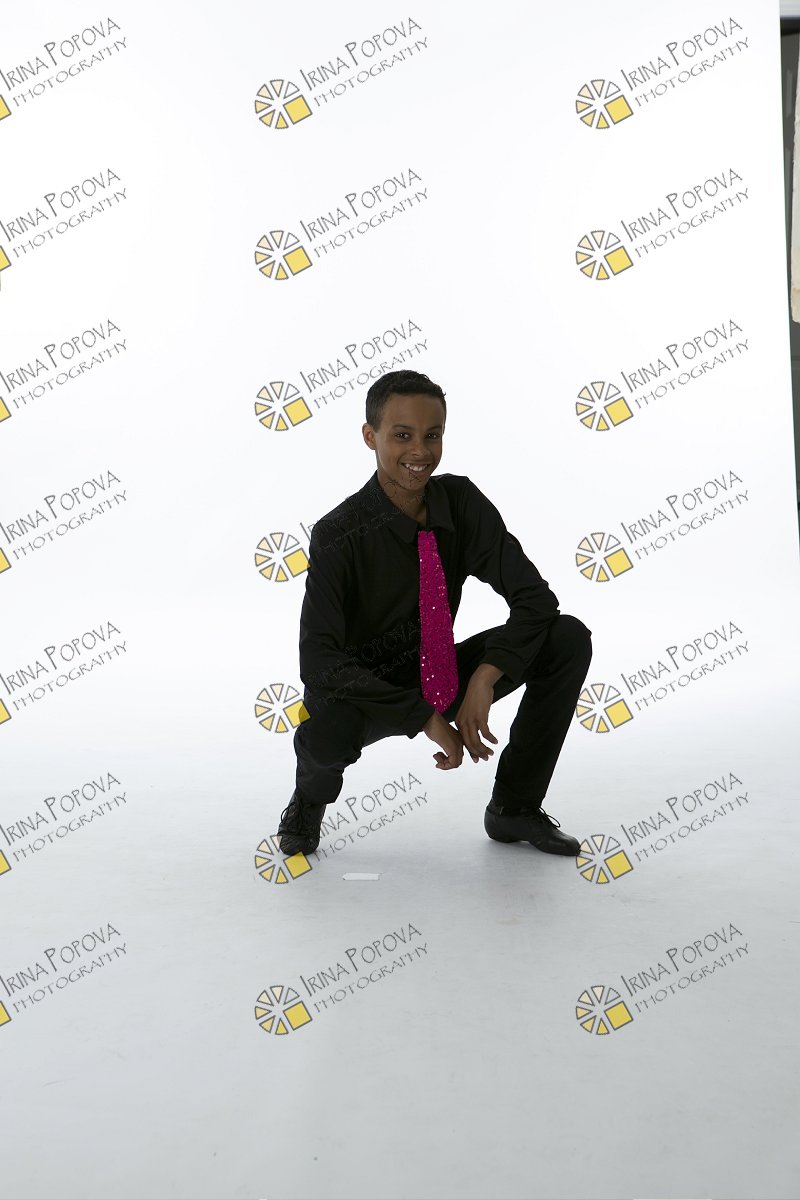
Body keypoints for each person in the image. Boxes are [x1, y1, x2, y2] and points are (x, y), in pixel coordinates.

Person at [277, 369, 592, 859]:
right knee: (324, 732)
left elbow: (536, 601)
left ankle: (514, 807)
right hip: (366, 689)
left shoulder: (460, 503)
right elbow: (319, 660)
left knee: (566, 638)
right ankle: (308, 802)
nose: (420, 451)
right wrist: (423, 716)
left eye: (432, 435)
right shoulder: (338, 532)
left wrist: (485, 676)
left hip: (441, 670)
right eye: (402, 435)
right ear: (370, 436)